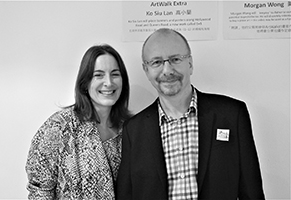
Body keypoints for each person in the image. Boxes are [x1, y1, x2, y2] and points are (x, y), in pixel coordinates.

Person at [116, 28, 265, 200]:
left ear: (190, 63)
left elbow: (252, 192)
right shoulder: (134, 130)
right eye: (156, 62)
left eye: (175, 59)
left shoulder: (231, 115)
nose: (167, 70)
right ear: (146, 69)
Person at [26, 44, 131, 199]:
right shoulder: (60, 126)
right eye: (99, 75)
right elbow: (40, 191)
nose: (108, 82)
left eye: (115, 74)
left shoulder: (130, 129)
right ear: (85, 83)